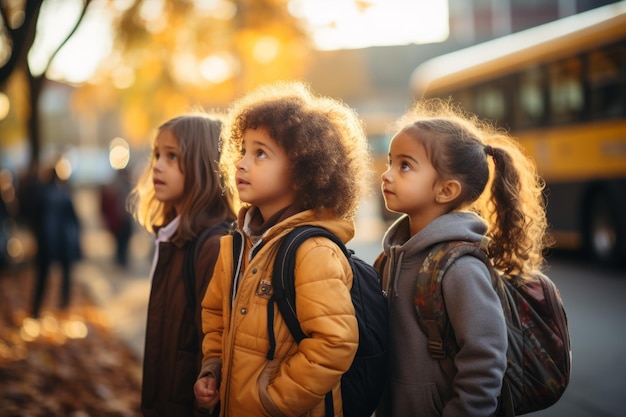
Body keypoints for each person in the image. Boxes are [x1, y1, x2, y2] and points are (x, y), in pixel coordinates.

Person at [194, 81, 373, 416]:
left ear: (303, 173)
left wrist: (274, 401)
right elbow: (216, 315)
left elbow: (335, 343)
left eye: (260, 153)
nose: (242, 163)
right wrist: (213, 368)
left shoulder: (313, 250)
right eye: (244, 150)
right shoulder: (236, 244)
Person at [374, 99, 551, 417]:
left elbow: (485, 360)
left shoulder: (460, 268)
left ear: (446, 190)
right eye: (390, 162)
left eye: (404, 165)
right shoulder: (392, 257)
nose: (386, 175)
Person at [127, 112, 236, 417]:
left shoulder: (212, 247)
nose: (157, 165)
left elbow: (213, 354)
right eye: (157, 155)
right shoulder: (173, 239)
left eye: (172, 156)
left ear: (203, 165)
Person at [25, 161, 82, 319]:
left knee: (43, 276)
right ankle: (62, 305)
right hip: (61, 241)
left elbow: (32, 217)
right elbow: (74, 220)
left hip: (47, 241)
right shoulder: (63, 193)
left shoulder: (41, 194)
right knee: (63, 274)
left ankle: (36, 309)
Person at [100, 168, 134, 267]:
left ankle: (122, 259)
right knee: (121, 241)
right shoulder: (118, 187)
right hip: (121, 219)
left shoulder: (121, 186)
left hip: (124, 218)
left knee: (122, 241)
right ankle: (121, 259)